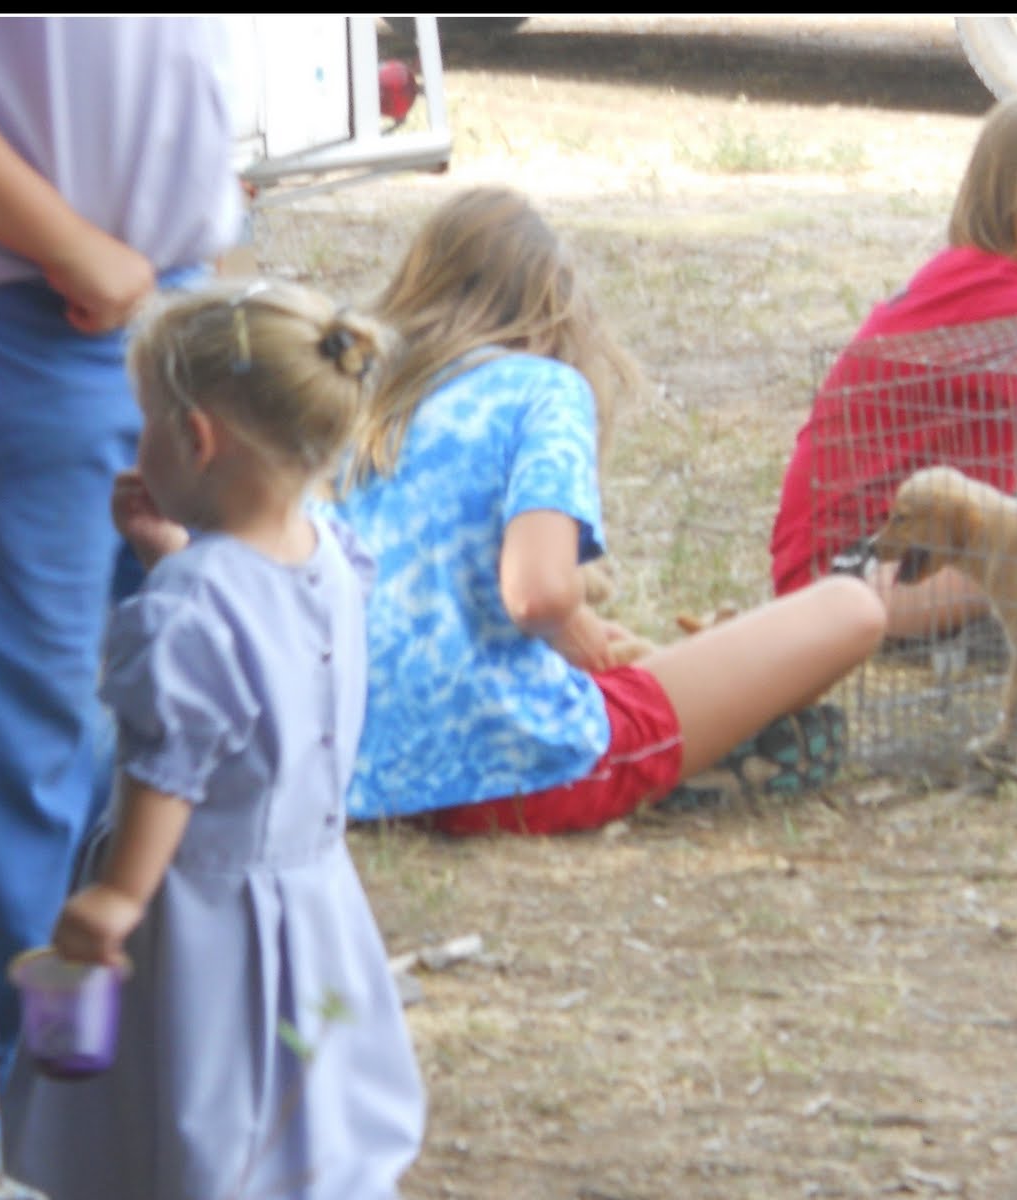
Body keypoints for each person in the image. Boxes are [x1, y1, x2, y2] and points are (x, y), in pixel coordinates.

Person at [1, 281, 426, 1200]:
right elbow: (263, 644)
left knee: (202, 1126)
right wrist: (171, 543)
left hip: (204, 915)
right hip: (312, 895)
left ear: (195, 437)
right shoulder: (328, 555)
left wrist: (115, 897)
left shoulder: (190, 602)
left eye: (148, 424)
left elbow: (173, 766)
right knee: (305, 1105)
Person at [333, 186, 886, 835]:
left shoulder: (375, 406)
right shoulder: (545, 389)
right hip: (512, 774)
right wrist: (572, 627)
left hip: (361, 772)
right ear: (552, 315)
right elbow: (536, 595)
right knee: (852, 607)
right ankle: (721, 748)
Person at [0, 19, 246, 1086]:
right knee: (39, 737)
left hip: (173, 307)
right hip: (46, 315)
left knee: (187, 695)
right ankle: (25, 1102)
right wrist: (83, 253)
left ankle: (127, 1082)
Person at [770, 91, 1017, 639]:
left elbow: (983, 432)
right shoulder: (1002, 291)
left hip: (914, 552)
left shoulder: (981, 278)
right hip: (853, 584)